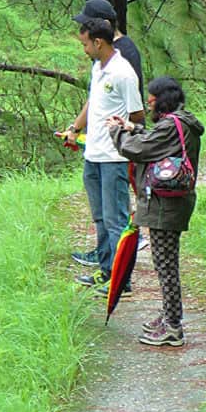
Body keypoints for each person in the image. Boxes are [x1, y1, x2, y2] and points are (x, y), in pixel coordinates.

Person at [107, 76, 204, 346]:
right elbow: (153, 139)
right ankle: (169, 315)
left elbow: (138, 149)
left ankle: (173, 327)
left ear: (162, 100)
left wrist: (117, 132)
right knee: (164, 263)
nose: (148, 103)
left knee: (165, 264)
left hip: (165, 204)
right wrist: (131, 127)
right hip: (170, 202)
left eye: (150, 99)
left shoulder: (172, 126)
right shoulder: (180, 122)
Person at [64, 15, 145, 296]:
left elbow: (137, 115)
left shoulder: (123, 73)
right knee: (99, 217)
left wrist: (123, 136)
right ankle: (106, 269)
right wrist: (74, 128)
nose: (84, 49)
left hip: (114, 158)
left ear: (98, 42)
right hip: (94, 155)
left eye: (85, 44)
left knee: (116, 219)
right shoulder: (98, 67)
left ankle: (123, 280)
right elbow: (93, 102)